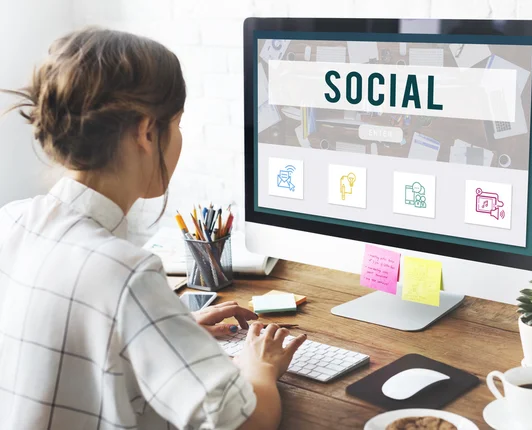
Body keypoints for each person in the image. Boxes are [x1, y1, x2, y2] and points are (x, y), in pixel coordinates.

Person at [0, 27, 306, 430]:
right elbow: (246, 422)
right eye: (176, 124)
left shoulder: (11, 221)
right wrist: (258, 366)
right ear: (147, 132)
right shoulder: (126, 273)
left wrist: (164, 330)